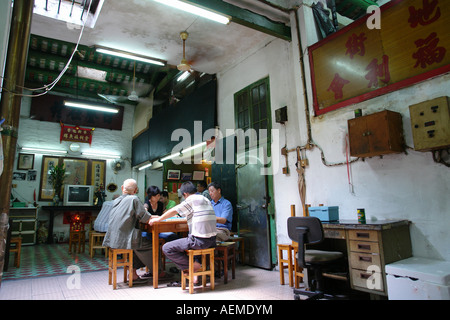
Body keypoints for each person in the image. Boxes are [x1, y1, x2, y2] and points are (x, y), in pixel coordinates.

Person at [149, 181, 217, 286]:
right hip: (212, 240)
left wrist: (159, 219)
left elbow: (175, 210)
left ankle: (193, 266)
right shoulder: (205, 199)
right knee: (187, 241)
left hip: (200, 241)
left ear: (185, 194)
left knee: (167, 248)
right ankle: (194, 276)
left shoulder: (191, 199)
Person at [103, 179, 169, 283]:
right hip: (125, 239)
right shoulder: (134, 199)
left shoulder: (116, 200)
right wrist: (159, 217)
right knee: (153, 245)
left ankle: (133, 273)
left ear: (122, 188)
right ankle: (158, 272)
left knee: (138, 243)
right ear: (136, 190)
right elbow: (145, 218)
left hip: (112, 239)